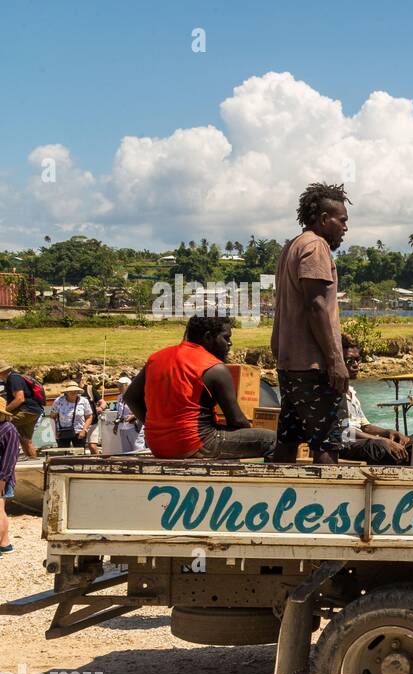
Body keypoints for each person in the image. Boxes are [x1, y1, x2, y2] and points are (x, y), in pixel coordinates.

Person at [268, 182, 351, 465]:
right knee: (327, 442)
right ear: (325, 219)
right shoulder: (316, 246)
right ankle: (327, 503)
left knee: (289, 439)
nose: (345, 228)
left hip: (290, 363)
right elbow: (316, 305)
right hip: (314, 366)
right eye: (342, 221)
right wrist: (335, 360)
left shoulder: (293, 245)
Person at [124, 314, 277, 460]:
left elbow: (130, 397)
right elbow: (237, 421)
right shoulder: (214, 367)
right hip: (196, 444)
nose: (230, 344)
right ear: (208, 337)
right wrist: (251, 434)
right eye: (226, 337)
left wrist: (155, 427)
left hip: (156, 445)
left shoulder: (156, 358)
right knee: (271, 440)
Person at [337, 336, 413, 465]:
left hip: (363, 439)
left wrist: (388, 432)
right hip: (346, 443)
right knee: (380, 448)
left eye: (357, 360)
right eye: (350, 361)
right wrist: (383, 441)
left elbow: (365, 426)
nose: (356, 365)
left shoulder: (352, 393)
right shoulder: (334, 393)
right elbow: (345, 432)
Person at [1, 362, 43, 458]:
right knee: (25, 439)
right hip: (33, 411)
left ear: (2, 372)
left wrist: (4, 410)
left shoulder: (13, 379)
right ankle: (33, 460)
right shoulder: (15, 377)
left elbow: (20, 398)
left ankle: (7, 457)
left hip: (26, 410)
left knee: (3, 423)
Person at [49, 384, 92, 449]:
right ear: (66, 392)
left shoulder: (84, 401)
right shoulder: (59, 401)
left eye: (75, 391)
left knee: (80, 455)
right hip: (62, 432)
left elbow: (89, 417)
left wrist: (84, 430)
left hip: (79, 432)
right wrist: (55, 432)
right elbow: (52, 417)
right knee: (64, 454)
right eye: (70, 391)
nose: (73, 392)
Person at [0, 407, 18, 554]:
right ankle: (5, 544)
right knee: (0, 510)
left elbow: (10, 457)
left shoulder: (8, 429)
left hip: (2, 476)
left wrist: (3, 478)